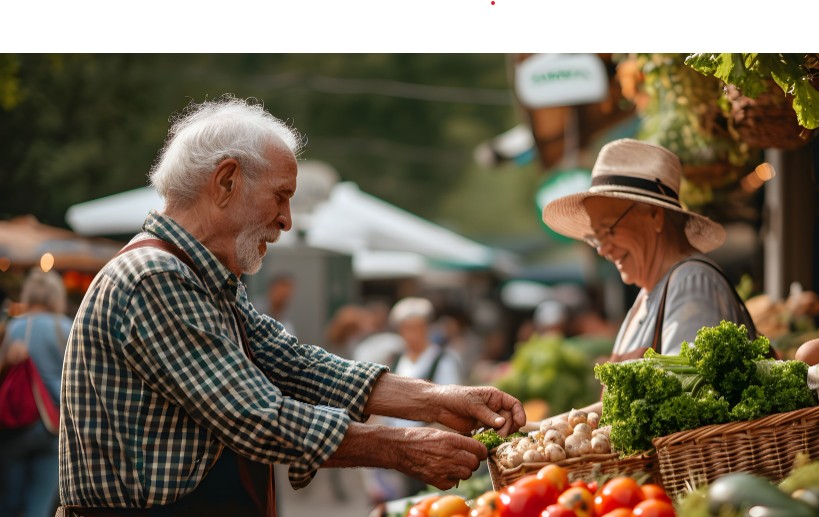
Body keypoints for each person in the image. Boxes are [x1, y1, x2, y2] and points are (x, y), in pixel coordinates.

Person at [58, 96, 524, 516]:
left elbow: (295, 365)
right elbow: (255, 415)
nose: (286, 220)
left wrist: (437, 402)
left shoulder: (205, 277)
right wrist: (400, 446)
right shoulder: (156, 278)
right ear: (226, 181)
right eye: (280, 196)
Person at [539, 138, 759, 416]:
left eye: (609, 230)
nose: (604, 249)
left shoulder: (691, 281)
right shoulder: (648, 295)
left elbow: (688, 393)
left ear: (655, 216)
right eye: (596, 238)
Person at [362, 297, 465, 504]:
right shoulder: (396, 360)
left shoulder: (443, 360)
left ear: (427, 328)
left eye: (417, 327)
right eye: (407, 328)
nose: (412, 334)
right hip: (395, 447)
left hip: (427, 446)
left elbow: (453, 407)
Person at [0, 269, 72, 517]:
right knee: (40, 507)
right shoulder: (67, 328)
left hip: (17, 422)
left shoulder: (15, 327)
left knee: (9, 502)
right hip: (54, 427)